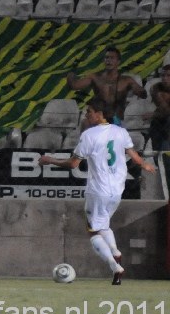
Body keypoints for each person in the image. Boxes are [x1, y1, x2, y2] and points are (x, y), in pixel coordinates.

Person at [38, 98, 157, 286]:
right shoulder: (121, 132)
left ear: (99, 114)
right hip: (117, 189)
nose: (86, 115)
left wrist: (49, 160)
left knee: (93, 231)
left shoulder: (89, 135)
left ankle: (114, 266)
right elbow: (133, 155)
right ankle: (116, 252)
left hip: (98, 189)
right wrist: (145, 165)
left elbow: (73, 164)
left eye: (89, 111)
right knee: (104, 225)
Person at [66, 47, 147, 126]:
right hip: (98, 120)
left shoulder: (126, 80)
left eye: (112, 58)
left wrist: (139, 91)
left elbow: (142, 93)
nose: (108, 60)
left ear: (118, 61)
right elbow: (74, 85)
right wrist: (72, 71)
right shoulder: (95, 77)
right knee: (85, 123)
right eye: (106, 58)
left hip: (116, 120)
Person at [149, 65, 170, 151]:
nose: (165, 78)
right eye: (163, 75)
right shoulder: (155, 87)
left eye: (169, 76)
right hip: (159, 121)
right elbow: (164, 108)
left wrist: (154, 114)